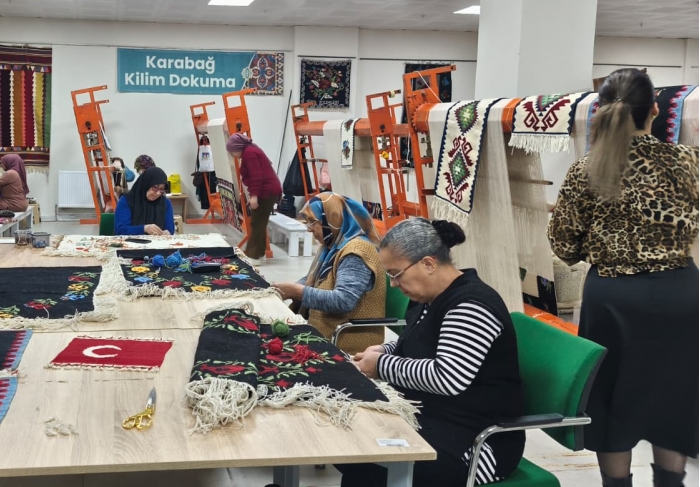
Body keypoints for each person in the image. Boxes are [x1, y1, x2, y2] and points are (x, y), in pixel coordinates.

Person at [548, 68, 698, 487]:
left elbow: (564, 245)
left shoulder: (587, 170)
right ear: (655, 110)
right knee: (673, 397)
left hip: (613, 299)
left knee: (612, 398)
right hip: (680, 295)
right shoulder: (689, 162)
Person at [341, 218, 525, 486]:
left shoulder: (471, 305)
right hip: (433, 418)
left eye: (396, 274)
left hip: (475, 442)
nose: (393, 284)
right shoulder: (429, 298)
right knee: (352, 446)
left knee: (366, 464)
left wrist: (381, 365)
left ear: (428, 263)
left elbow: (448, 377)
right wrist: (385, 349)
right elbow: (420, 343)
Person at [271, 192, 386, 353]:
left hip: (346, 337)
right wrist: (286, 288)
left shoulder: (356, 252)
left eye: (313, 222)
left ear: (332, 218)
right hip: (331, 329)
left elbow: (343, 301)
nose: (309, 229)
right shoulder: (333, 246)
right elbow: (317, 279)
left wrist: (297, 291)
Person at [225, 133, 282, 262]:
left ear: (238, 148)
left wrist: (254, 196)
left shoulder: (249, 154)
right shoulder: (250, 150)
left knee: (257, 223)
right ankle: (258, 252)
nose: (232, 155)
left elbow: (256, 176)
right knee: (259, 222)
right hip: (267, 190)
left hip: (266, 191)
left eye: (232, 152)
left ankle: (252, 255)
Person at [114, 166, 176, 236]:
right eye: (155, 187)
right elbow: (120, 230)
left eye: (161, 189)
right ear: (146, 184)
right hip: (130, 242)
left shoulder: (165, 203)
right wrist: (144, 228)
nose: (158, 193)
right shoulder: (126, 200)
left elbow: (170, 230)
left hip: (157, 242)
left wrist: (167, 233)